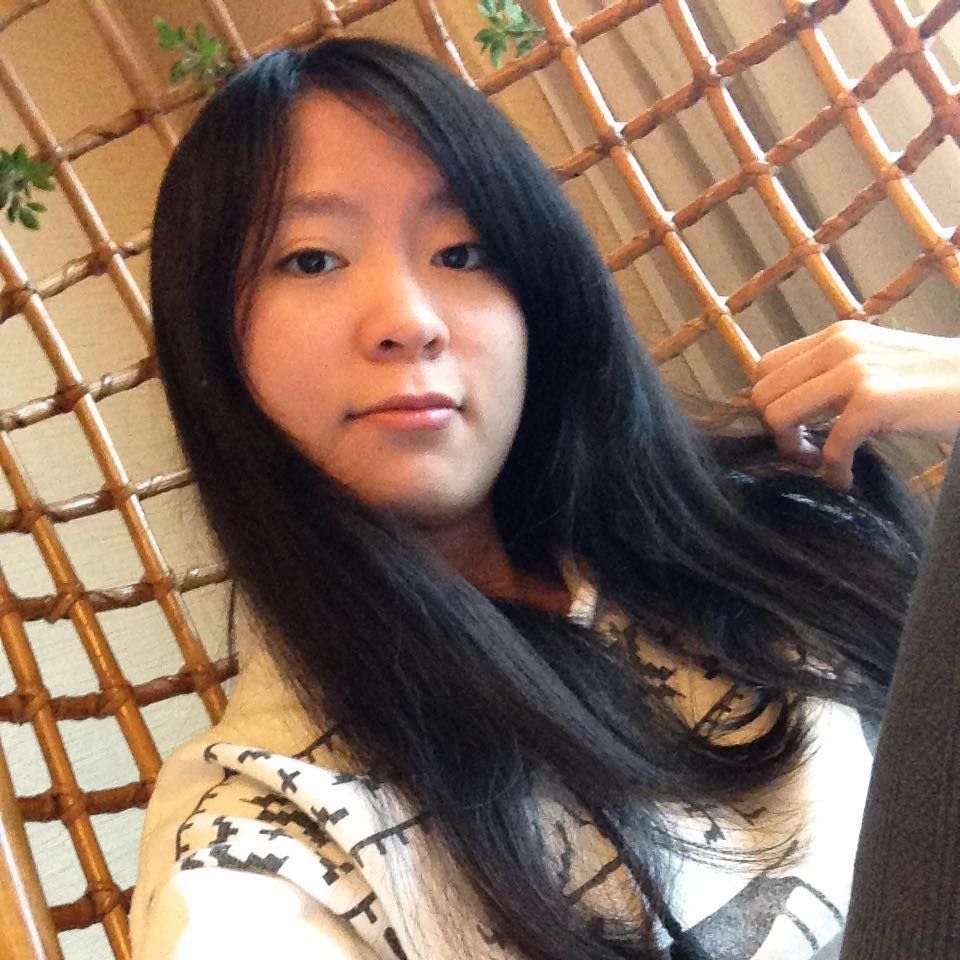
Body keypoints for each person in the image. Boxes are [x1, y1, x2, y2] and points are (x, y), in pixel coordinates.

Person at [128, 36, 960, 960]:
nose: (409, 320)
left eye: (463, 251)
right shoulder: (268, 839)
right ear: (215, 344)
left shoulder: (784, 533)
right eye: (312, 259)